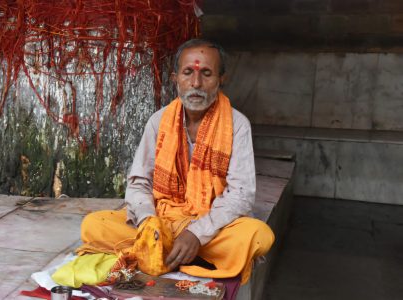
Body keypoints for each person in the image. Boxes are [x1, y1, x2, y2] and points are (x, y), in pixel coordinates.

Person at [77, 39, 274, 284]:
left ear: (221, 79)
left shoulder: (237, 124)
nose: (196, 84)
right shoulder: (158, 121)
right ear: (175, 78)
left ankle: (166, 251)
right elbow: (139, 183)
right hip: (162, 221)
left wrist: (196, 233)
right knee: (93, 225)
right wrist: (150, 222)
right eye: (188, 72)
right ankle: (176, 251)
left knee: (258, 236)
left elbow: (241, 194)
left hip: (211, 226)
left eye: (207, 74)